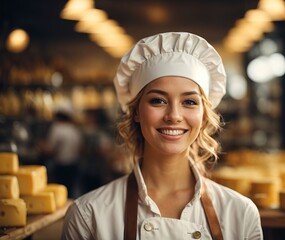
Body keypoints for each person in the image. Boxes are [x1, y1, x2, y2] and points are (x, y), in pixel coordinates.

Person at [61, 32, 263, 240]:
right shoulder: (88, 216)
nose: (173, 116)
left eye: (190, 102)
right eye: (158, 100)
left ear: (203, 116)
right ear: (136, 112)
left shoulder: (240, 214)